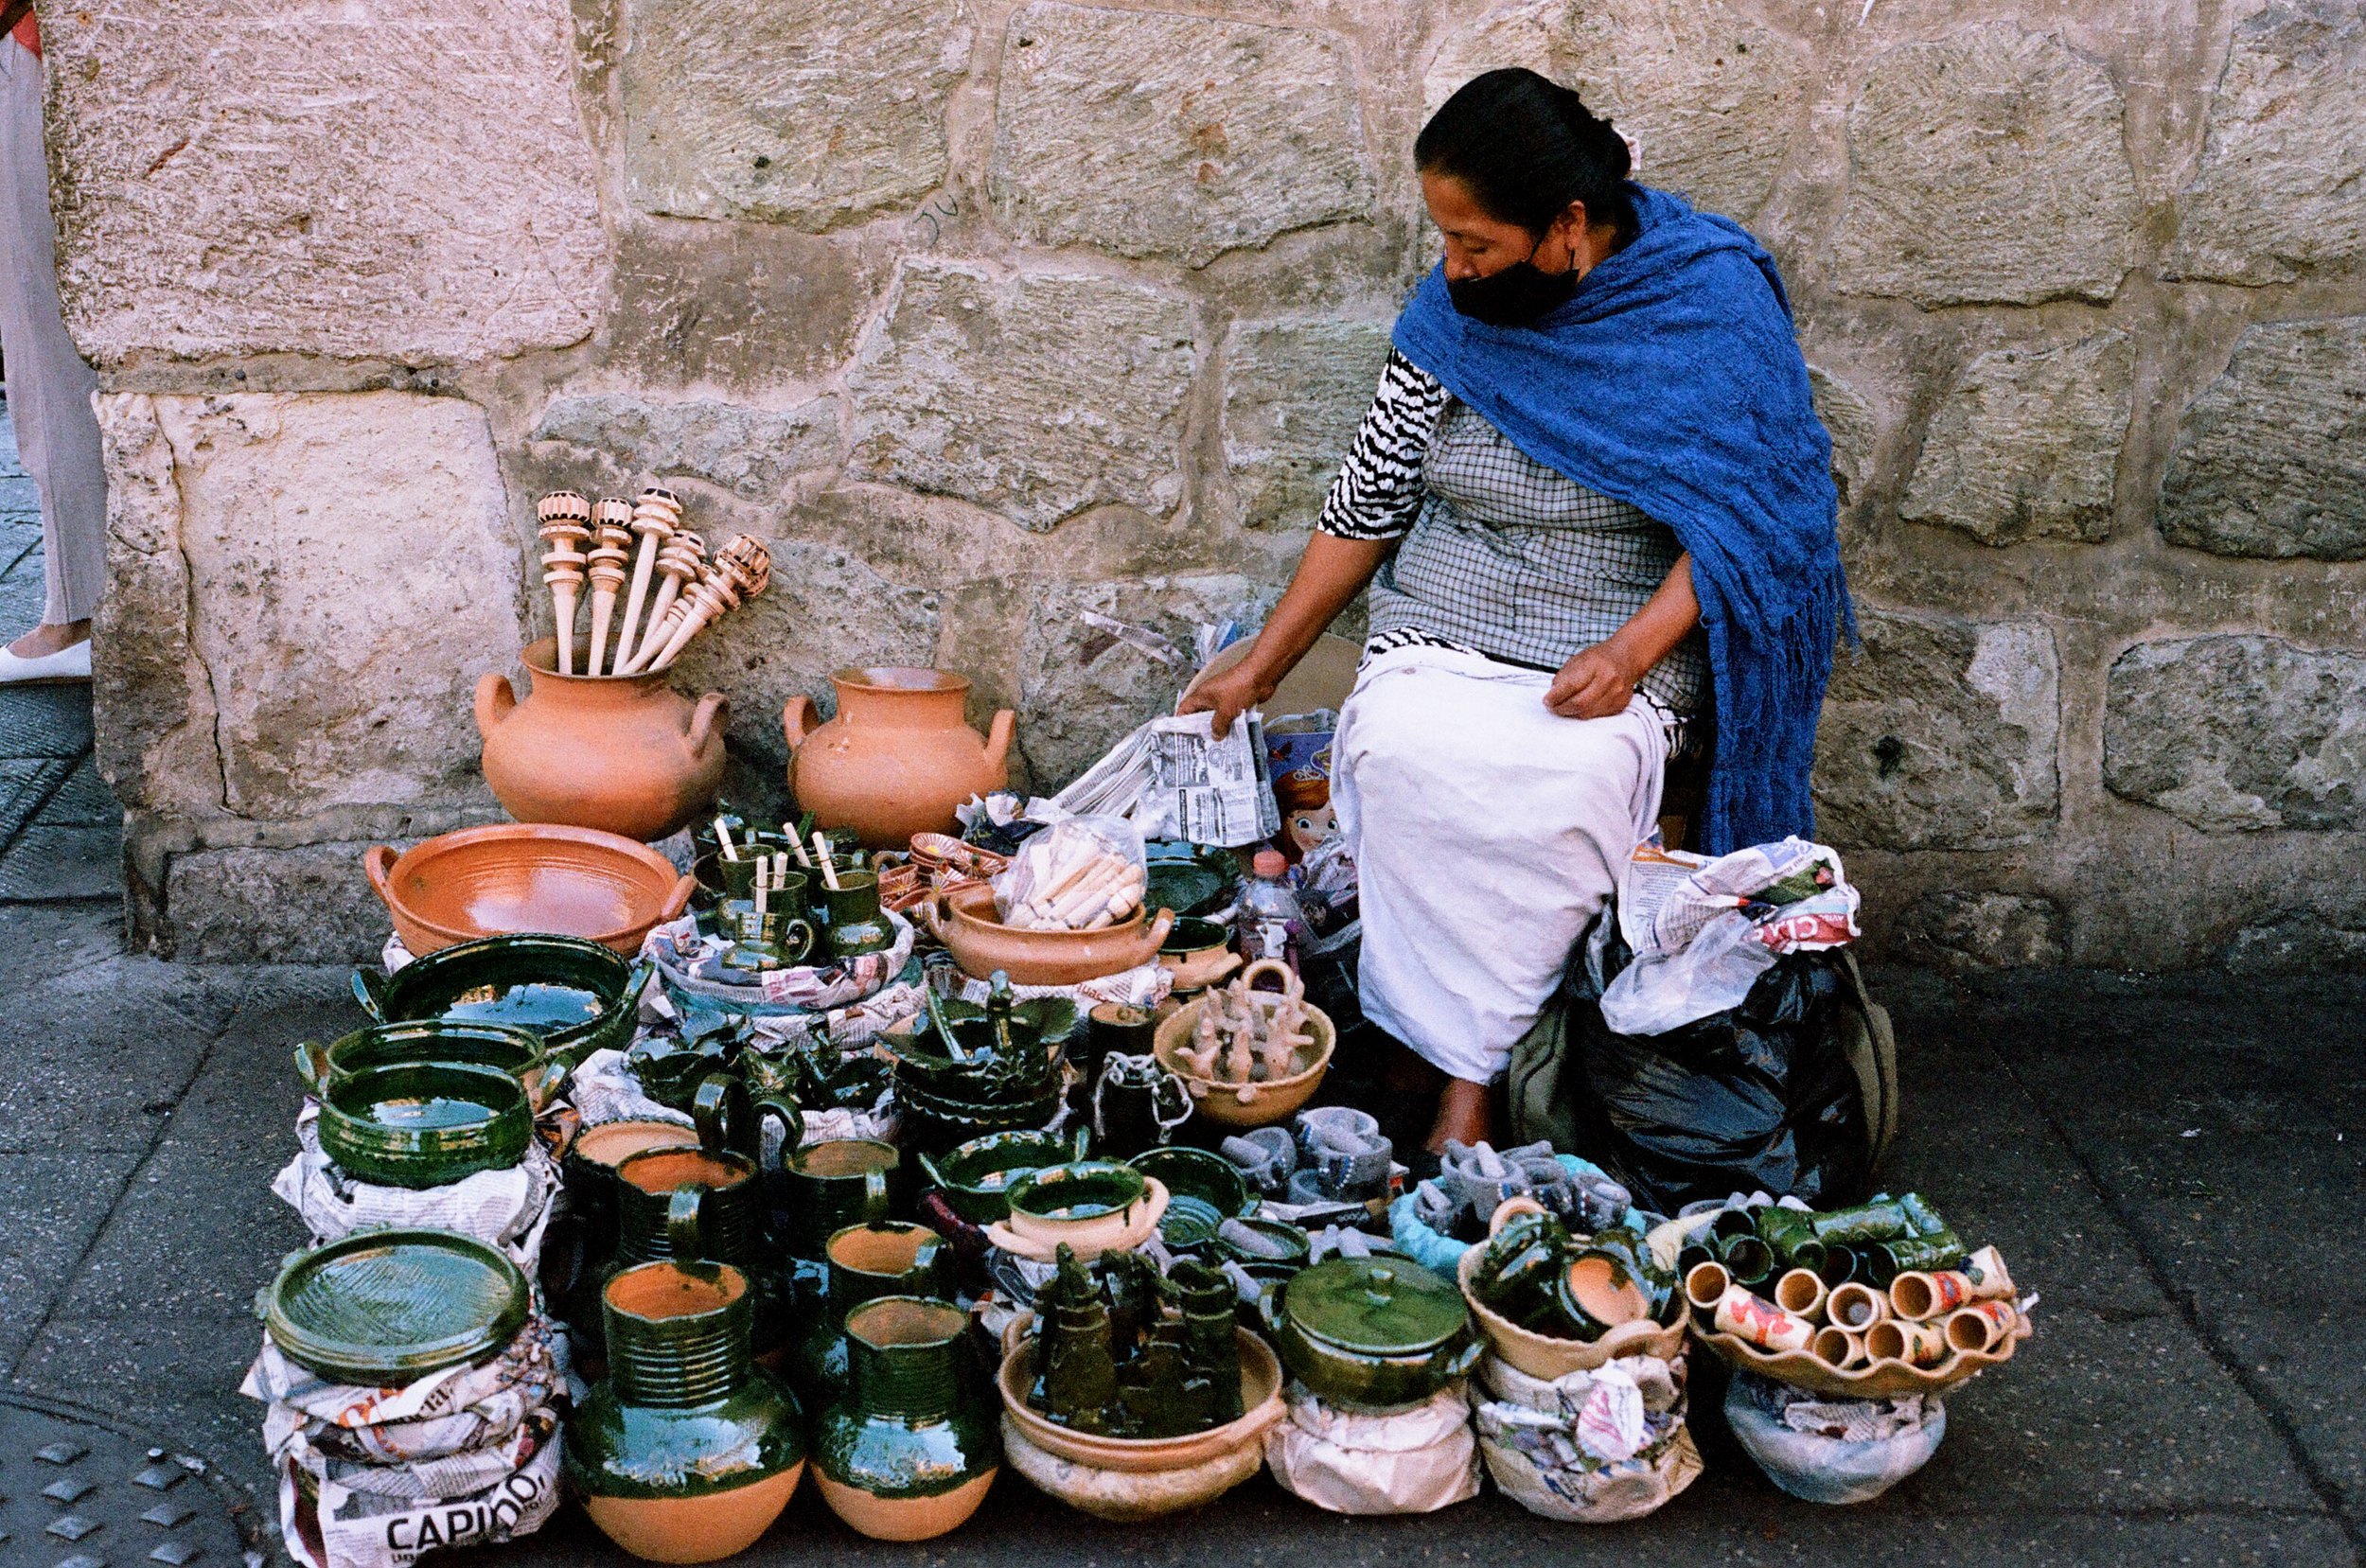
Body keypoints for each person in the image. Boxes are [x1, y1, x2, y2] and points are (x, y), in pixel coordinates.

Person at [1181, 69, 1847, 1155]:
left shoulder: (1705, 300)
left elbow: (1756, 519)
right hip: (1447, 611)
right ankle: (1445, 1054)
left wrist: (1631, 655)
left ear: (1568, 225)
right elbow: (1368, 499)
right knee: (1399, 750)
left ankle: (1468, 1073)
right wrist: (1261, 662)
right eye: (1443, 240)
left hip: (1618, 631)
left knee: (1563, 783)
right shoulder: (1458, 309)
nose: (1452, 268)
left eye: (1476, 243)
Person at [0, 0, 105, 683]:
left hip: (32, 43)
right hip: (50, 47)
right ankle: (86, 600)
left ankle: (79, 614)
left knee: (41, 334)